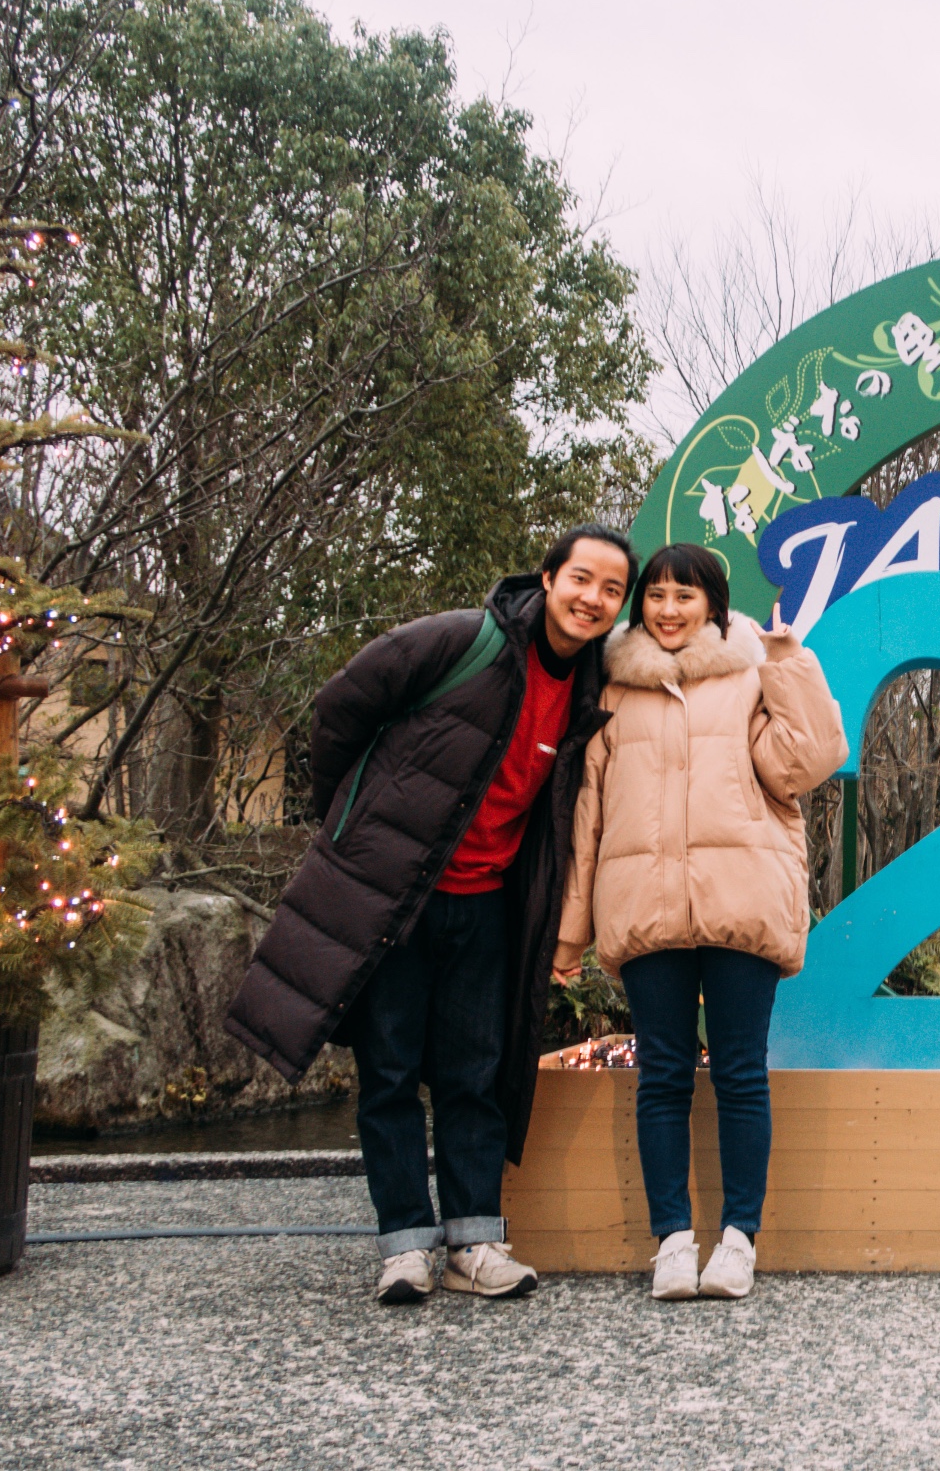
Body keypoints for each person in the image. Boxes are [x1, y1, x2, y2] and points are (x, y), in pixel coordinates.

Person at [225, 526, 633, 1304]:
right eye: (582, 579)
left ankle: (475, 1243)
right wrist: (349, 823)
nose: (593, 599)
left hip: (489, 908)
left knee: (473, 1076)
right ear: (548, 577)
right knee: (388, 1073)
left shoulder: (591, 689)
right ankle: (404, 1246)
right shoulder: (460, 640)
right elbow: (341, 708)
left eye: (611, 590)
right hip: (398, 900)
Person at [556, 542, 846, 1301]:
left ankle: (739, 1241)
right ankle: (674, 1242)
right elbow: (588, 810)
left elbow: (806, 764)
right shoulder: (614, 690)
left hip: (740, 898)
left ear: (714, 605)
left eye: (686, 595)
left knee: (742, 1074)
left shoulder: (751, 674)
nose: (668, 609)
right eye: (656, 595)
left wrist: (789, 663)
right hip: (646, 905)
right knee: (663, 1077)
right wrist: (570, 929)